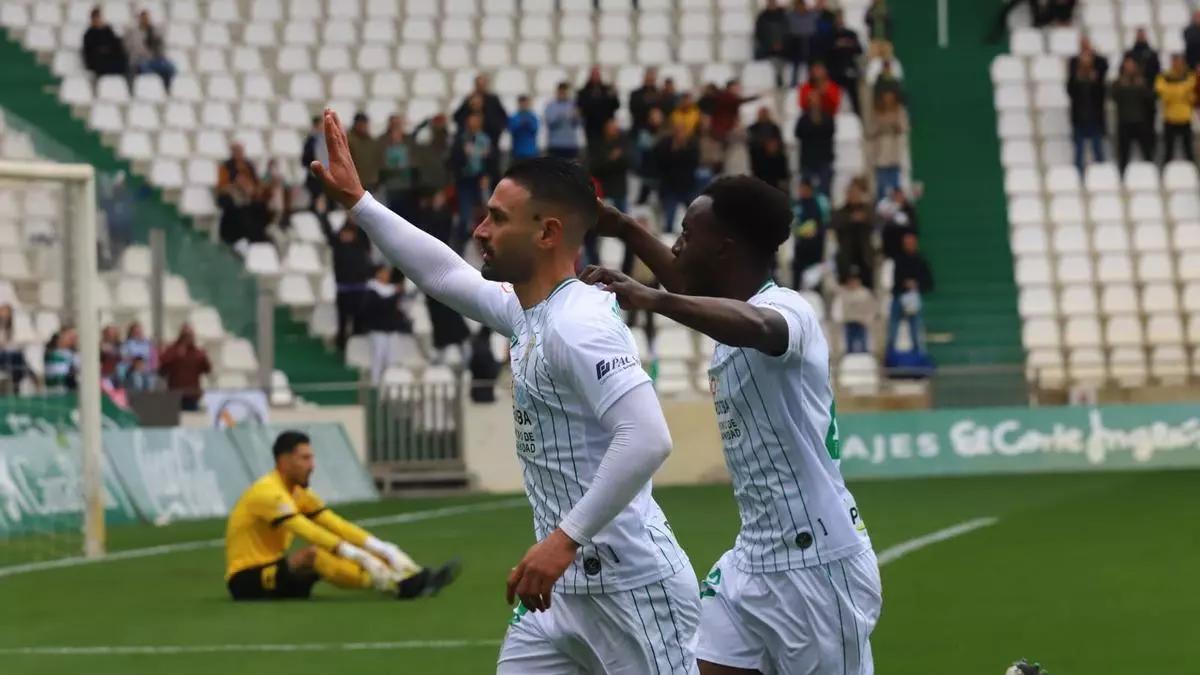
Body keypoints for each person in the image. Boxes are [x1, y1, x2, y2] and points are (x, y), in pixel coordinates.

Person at [310, 112, 698, 672]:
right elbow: (445, 276)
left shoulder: (578, 324)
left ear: (547, 233)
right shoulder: (530, 312)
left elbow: (647, 438)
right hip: (558, 595)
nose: (480, 230)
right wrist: (360, 201)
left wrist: (562, 541)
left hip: (630, 588)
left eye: (497, 218)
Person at [584, 175, 880, 675]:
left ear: (723, 248)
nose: (677, 245)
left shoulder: (790, 310)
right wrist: (622, 227)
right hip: (753, 559)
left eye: (686, 234)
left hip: (818, 566)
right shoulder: (719, 304)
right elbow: (684, 282)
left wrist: (653, 300)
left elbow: (759, 327)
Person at [225, 430, 459, 601]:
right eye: (305, 458)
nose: (312, 465)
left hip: (278, 573)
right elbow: (308, 531)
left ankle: (412, 575)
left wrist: (380, 548)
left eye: (312, 458)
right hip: (248, 579)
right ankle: (395, 584)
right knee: (314, 554)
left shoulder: (297, 492)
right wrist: (357, 555)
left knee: (324, 554)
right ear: (284, 462)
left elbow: (335, 524)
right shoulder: (269, 493)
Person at [321, 211, 374, 352]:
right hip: (344, 288)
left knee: (359, 320)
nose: (346, 236)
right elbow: (328, 233)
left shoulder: (361, 243)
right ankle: (341, 346)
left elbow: (365, 232)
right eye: (344, 234)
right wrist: (322, 213)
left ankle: (356, 347)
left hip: (359, 288)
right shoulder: (338, 246)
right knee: (343, 320)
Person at [362, 265, 412, 386]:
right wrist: (395, 296)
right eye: (383, 272)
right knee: (378, 358)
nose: (386, 274)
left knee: (392, 360)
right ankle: (375, 385)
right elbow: (380, 306)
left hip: (392, 330)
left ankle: (390, 386)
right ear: (377, 274)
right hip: (378, 330)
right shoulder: (371, 290)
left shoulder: (393, 289)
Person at [450, 112, 493, 245]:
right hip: (465, 179)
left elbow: (491, 160)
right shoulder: (461, 139)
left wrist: (487, 174)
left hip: (480, 179)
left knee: (486, 212)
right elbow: (454, 160)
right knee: (465, 216)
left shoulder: (485, 139)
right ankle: (461, 245)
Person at [888, 233, 934, 357]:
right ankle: (890, 356)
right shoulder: (898, 259)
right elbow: (895, 280)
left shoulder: (921, 260)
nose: (909, 246)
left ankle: (917, 357)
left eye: (911, 243)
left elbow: (928, 282)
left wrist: (916, 284)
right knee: (893, 329)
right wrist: (905, 284)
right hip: (899, 296)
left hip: (913, 298)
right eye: (906, 243)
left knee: (915, 330)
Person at [216, 142, 269, 246]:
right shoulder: (226, 167)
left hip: (249, 197)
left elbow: (256, 184)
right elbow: (222, 187)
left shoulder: (248, 166)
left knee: (260, 207)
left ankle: (259, 237)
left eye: (240, 151)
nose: (239, 154)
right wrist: (237, 185)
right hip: (233, 198)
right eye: (236, 151)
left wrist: (251, 188)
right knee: (239, 210)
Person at [1111, 55, 1157, 171]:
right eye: (1127, 64)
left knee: (1147, 153)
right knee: (1123, 155)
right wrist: (1122, 85)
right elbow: (1113, 97)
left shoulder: (1141, 81)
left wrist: (1142, 86)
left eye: (1132, 64)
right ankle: (1122, 177)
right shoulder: (1118, 82)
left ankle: (1151, 174)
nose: (1130, 67)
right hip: (1124, 122)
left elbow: (1150, 98)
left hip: (1140, 121)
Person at [656, 121, 701, 232]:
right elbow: (660, 163)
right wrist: (674, 150)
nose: (679, 133)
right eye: (677, 130)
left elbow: (694, 163)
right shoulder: (666, 144)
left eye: (682, 130)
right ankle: (667, 236)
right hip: (670, 186)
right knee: (669, 219)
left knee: (694, 217)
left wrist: (682, 149)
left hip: (688, 186)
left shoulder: (692, 144)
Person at [1067, 52, 1107, 174]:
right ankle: (1077, 177)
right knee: (1079, 151)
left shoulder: (1097, 80)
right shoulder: (1075, 79)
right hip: (1079, 120)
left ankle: (1101, 174)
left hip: (1094, 119)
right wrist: (1076, 77)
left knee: (1098, 150)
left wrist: (1095, 80)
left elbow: (1102, 94)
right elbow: (1070, 91)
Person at [832, 179, 875, 287]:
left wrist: (864, 219)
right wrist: (851, 218)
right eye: (851, 193)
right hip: (846, 256)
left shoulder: (867, 210)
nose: (853, 196)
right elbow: (835, 223)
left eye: (856, 193)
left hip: (864, 256)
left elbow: (875, 222)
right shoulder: (841, 212)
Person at [158, 324, 210, 411]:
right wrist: (175, 355)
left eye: (190, 335)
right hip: (175, 394)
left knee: (191, 421)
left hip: (191, 395)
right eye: (185, 335)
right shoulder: (173, 350)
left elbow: (207, 369)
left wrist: (204, 357)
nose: (188, 338)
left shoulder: (197, 353)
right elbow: (162, 370)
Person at [794, 91, 837, 196]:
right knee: (806, 189)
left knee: (824, 190)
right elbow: (798, 133)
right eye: (812, 100)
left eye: (816, 99)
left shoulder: (827, 117)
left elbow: (830, 131)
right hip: (808, 160)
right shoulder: (803, 119)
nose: (814, 102)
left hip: (824, 159)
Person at [1157, 54, 1197, 164]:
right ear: (1171, 62)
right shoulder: (1164, 77)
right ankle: (1165, 175)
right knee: (1168, 152)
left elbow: (1193, 96)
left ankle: (1193, 174)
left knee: (1189, 151)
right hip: (1170, 118)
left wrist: (1174, 90)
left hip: (1185, 117)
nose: (1177, 64)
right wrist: (1181, 90)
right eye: (1175, 61)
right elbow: (1164, 96)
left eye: (1179, 62)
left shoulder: (1190, 76)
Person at [792, 179, 831, 290]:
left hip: (814, 251)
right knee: (798, 285)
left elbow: (821, 227)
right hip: (799, 251)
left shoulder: (817, 205)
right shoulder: (797, 205)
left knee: (814, 285)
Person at [869, 89, 908, 199]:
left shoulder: (900, 111)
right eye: (885, 96)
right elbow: (871, 130)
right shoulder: (876, 113)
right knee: (881, 187)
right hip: (880, 156)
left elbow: (903, 127)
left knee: (895, 185)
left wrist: (893, 126)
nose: (888, 99)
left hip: (894, 155)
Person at [123, 9, 174, 88]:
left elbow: (160, 48)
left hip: (154, 60)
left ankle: (167, 89)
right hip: (140, 61)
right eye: (143, 18)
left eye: (147, 18)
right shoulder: (133, 33)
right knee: (147, 70)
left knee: (170, 67)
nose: (145, 20)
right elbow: (131, 49)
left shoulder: (153, 31)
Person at [827, 11, 865, 115]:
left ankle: (858, 117)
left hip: (850, 70)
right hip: (835, 72)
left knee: (855, 98)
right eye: (837, 18)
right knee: (832, 97)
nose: (840, 20)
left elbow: (860, 50)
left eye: (841, 17)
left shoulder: (851, 34)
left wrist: (849, 44)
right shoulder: (830, 35)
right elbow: (826, 53)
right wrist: (837, 46)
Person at [576, 67, 621, 148]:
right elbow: (581, 108)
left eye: (597, 75)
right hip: (591, 128)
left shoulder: (607, 90)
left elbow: (616, 106)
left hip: (607, 128)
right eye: (594, 74)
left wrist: (614, 95)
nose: (595, 77)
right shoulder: (583, 92)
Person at [837, 269, 877, 353]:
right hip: (849, 323)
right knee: (849, 346)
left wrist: (868, 320)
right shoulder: (843, 292)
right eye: (850, 281)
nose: (852, 283)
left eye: (854, 280)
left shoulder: (865, 293)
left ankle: (865, 360)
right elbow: (838, 307)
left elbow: (872, 308)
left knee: (863, 345)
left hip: (862, 323)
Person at [82, 7, 128, 77]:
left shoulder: (108, 30)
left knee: (122, 58)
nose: (97, 19)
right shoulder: (89, 33)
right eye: (95, 17)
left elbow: (115, 43)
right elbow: (88, 50)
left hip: (109, 56)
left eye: (98, 17)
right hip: (98, 59)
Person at [755, 0, 791, 87]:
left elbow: (787, 32)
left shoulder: (784, 16)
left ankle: (779, 76)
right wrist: (771, 45)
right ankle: (777, 76)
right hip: (767, 47)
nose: (771, 5)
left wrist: (780, 44)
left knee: (782, 57)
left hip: (782, 47)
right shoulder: (762, 17)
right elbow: (759, 34)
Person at [347, 113, 383, 197]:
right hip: (356, 183)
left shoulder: (371, 141)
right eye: (361, 124)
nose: (364, 127)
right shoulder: (349, 140)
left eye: (365, 124)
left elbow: (377, 159)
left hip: (372, 182)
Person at [544, 82, 582, 159]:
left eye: (565, 91)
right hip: (556, 144)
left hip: (571, 144)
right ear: (557, 91)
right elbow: (550, 124)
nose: (563, 93)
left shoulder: (574, 105)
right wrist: (562, 116)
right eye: (561, 91)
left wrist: (576, 116)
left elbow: (577, 124)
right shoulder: (551, 105)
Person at [787, 0, 819, 87]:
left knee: (811, 63)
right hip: (796, 41)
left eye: (802, 6)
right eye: (798, 6)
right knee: (796, 64)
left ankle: (812, 82)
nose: (801, 8)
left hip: (810, 40)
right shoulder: (791, 15)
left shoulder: (812, 14)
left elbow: (817, 13)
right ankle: (794, 83)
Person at [0, 304, 30, 393]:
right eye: (3, 312)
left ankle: (16, 382)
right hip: (2, 354)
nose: (6, 315)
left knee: (18, 356)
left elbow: (15, 343)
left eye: (8, 313)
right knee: (15, 357)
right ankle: (26, 376)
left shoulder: (12, 328)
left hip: (10, 354)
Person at [301, 116, 329, 210]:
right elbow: (305, 160)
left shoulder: (327, 140)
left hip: (326, 175)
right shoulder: (310, 142)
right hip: (315, 177)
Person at [44, 328, 79, 392]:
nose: (74, 339)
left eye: (74, 337)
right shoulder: (51, 354)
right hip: (56, 390)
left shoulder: (74, 354)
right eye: (70, 337)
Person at [628, 68, 661, 135]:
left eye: (651, 79)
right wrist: (650, 114)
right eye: (648, 79)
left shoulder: (659, 93)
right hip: (640, 128)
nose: (650, 81)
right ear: (644, 78)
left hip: (657, 130)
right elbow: (633, 109)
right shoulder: (636, 94)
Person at [507, 95, 540, 161]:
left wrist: (528, 124)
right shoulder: (514, 117)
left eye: (525, 103)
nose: (524, 105)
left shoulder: (533, 117)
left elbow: (535, 130)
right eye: (522, 103)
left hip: (531, 151)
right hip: (517, 151)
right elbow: (511, 130)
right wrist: (520, 125)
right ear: (519, 104)